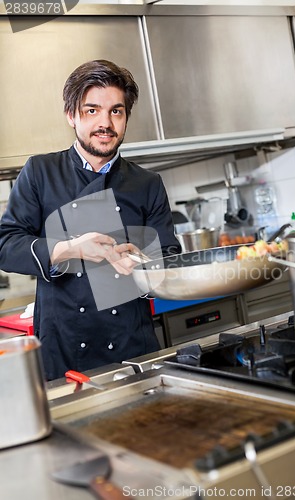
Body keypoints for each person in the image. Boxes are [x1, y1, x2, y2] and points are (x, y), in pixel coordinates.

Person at [0, 60, 181, 381]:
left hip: (131, 344)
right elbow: (6, 245)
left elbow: (169, 259)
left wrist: (143, 268)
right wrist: (69, 248)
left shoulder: (147, 183)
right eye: (92, 110)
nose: (105, 123)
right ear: (71, 116)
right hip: (65, 346)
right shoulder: (41, 172)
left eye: (116, 111)